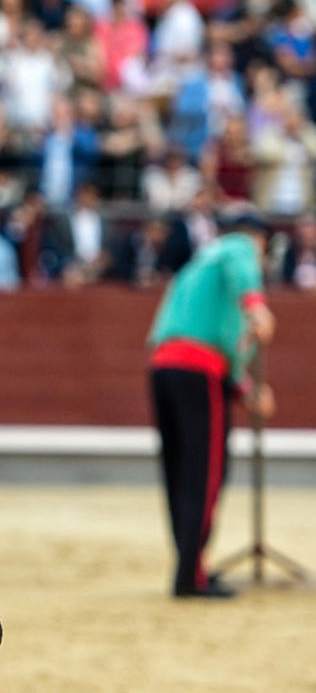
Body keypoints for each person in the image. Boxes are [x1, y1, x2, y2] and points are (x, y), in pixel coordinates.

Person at [147, 211, 277, 599]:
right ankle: (190, 576)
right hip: (199, 372)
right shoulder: (239, 247)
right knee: (203, 475)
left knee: (179, 473)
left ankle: (191, 566)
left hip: (163, 368)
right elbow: (228, 339)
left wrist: (247, 389)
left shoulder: (198, 265)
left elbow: (220, 338)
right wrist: (256, 306)